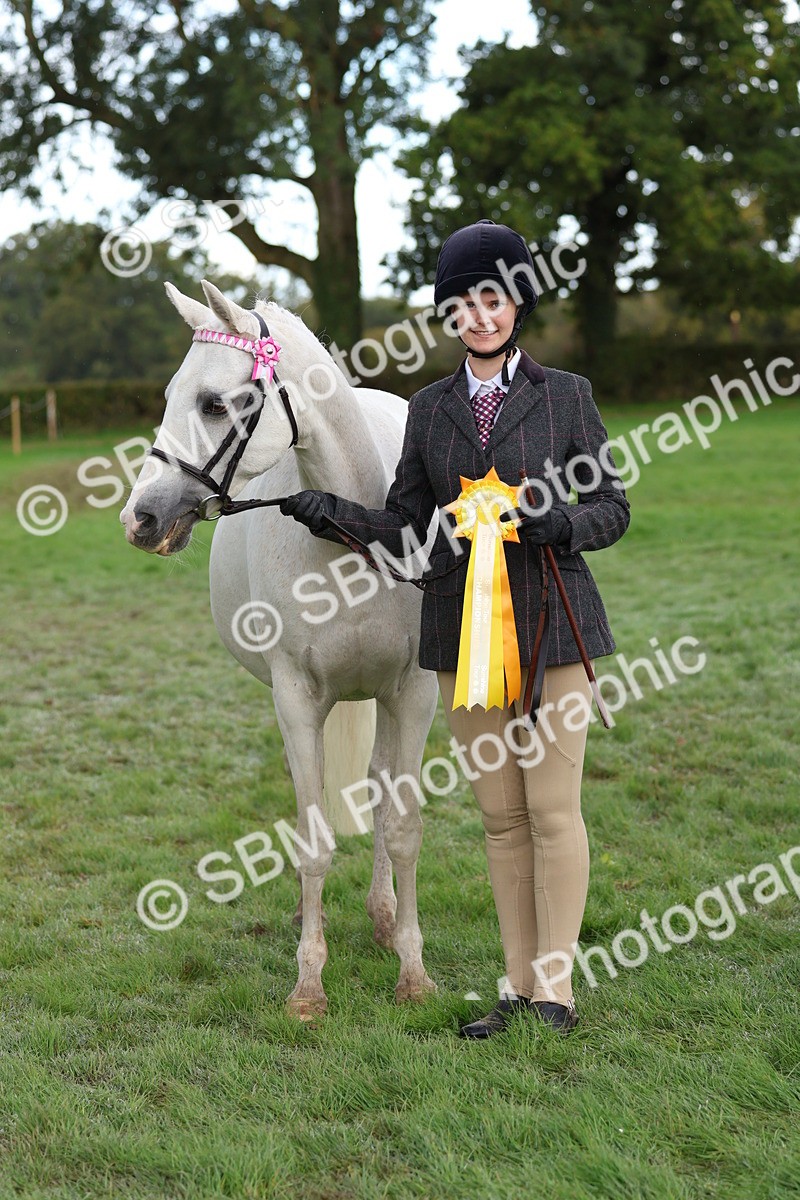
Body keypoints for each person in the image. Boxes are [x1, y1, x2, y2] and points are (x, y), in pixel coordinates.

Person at [280, 219, 630, 1037]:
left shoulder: (566, 396)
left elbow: (613, 507)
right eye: (464, 303)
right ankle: (517, 988)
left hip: (554, 624)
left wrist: (560, 524)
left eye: (494, 299)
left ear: (517, 305)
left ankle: (556, 991)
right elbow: (406, 526)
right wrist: (331, 513)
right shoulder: (429, 411)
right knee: (501, 818)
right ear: (449, 314)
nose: (480, 315)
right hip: (461, 637)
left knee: (551, 810)